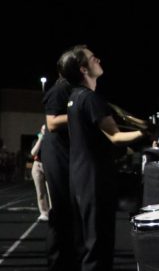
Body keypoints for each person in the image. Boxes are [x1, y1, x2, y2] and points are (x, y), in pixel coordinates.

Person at [60, 45, 146, 271]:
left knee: (88, 244)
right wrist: (146, 133)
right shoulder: (90, 99)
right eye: (91, 58)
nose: (97, 58)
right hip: (94, 179)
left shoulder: (74, 98)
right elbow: (115, 137)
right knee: (99, 244)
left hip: (79, 177)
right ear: (83, 69)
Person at [42, 72, 76, 271]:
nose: (97, 60)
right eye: (91, 58)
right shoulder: (60, 88)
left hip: (67, 154)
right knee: (62, 212)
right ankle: (58, 263)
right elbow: (52, 122)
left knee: (70, 213)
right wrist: (80, 110)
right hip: (58, 154)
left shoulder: (73, 89)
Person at [31, 124, 50, 221]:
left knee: (51, 191)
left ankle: (54, 211)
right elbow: (33, 153)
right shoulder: (36, 141)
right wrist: (40, 139)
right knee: (40, 192)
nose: (44, 131)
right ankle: (44, 213)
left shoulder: (51, 141)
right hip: (37, 165)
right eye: (43, 129)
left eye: (46, 129)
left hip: (49, 166)